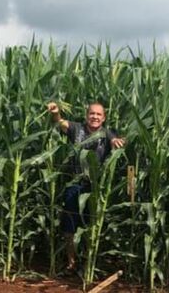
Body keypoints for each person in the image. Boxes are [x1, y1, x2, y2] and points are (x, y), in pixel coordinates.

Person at [46, 101, 125, 273]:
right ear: (86, 115)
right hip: (74, 184)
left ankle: (89, 265)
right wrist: (55, 113)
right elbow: (60, 122)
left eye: (98, 114)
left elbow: (114, 140)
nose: (95, 117)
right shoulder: (76, 129)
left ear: (103, 118)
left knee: (92, 225)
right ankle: (71, 263)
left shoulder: (106, 134)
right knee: (70, 226)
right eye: (92, 114)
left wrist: (117, 142)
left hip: (95, 188)